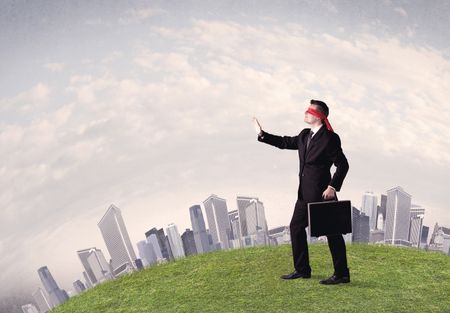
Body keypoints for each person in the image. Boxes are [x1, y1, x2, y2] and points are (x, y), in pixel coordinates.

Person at [253, 99, 350, 285]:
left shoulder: (330, 138)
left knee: (333, 234)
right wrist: (262, 135)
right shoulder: (304, 135)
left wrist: (332, 187)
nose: (305, 113)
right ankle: (302, 270)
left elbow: (343, 164)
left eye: (309, 111)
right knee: (296, 228)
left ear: (319, 115)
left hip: (323, 195)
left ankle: (342, 274)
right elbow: (284, 142)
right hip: (304, 195)